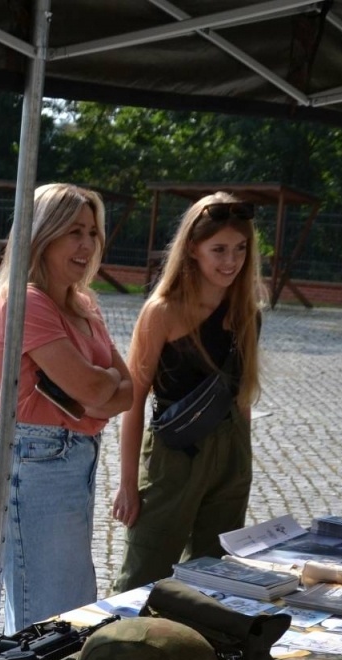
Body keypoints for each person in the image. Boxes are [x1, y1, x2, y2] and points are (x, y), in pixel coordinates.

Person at [0, 183, 132, 632]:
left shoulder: (83, 304)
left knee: (66, 606)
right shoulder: (26, 301)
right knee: (47, 617)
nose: (87, 244)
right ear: (42, 236)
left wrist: (99, 389)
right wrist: (101, 385)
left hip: (73, 458)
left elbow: (129, 391)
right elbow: (96, 386)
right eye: (73, 232)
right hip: (38, 461)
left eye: (92, 232)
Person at [111, 192, 266, 591]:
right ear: (192, 249)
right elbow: (133, 398)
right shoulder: (162, 311)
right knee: (143, 575)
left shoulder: (247, 312)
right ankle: (118, 649)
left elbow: (242, 398)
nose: (230, 261)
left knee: (213, 576)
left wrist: (241, 463)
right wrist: (128, 483)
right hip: (173, 456)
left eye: (240, 249)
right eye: (218, 249)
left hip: (230, 452)